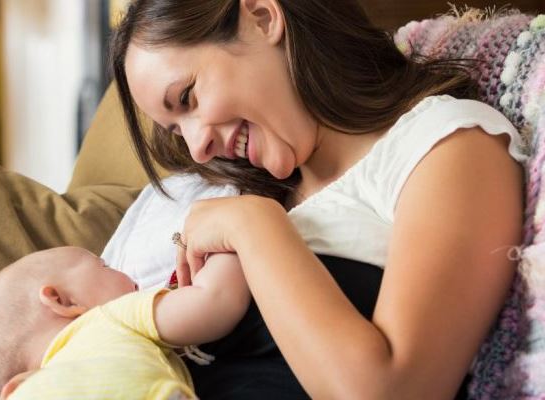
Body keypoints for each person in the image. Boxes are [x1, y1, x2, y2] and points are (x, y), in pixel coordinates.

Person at [109, 0, 526, 398]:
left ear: (262, 18)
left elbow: (395, 391)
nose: (198, 148)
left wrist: (253, 225)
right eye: (178, 131)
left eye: (188, 99)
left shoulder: (444, 145)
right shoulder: (247, 193)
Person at [0, 246, 250, 399]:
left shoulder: (33, 387)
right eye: (106, 265)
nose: (124, 272)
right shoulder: (110, 317)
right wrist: (224, 246)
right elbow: (215, 302)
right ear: (62, 301)